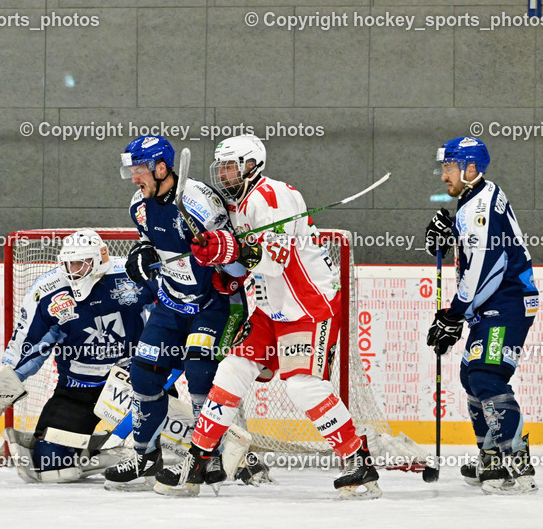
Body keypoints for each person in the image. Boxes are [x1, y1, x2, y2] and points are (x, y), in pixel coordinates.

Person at [154, 134, 381, 498]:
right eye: (221, 167)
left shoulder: (272, 196)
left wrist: (228, 248)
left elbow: (275, 260)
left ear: (250, 164)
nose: (223, 173)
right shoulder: (238, 205)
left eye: (230, 166)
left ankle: (357, 460)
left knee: (301, 385)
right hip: (268, 311)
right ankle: (199, 459)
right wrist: (224, 269)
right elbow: (247, 266)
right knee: (230, 371)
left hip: (307, 308)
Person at [105, 135, 259, 491]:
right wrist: (141, 252)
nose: (134, 178)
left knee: (200, 375)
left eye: (139, 170)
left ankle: (212, 456)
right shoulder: (139, 205)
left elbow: (240, 269)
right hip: (171, 303)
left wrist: (221, 252)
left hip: (214, 303)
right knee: (143, 376)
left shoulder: (202, 204)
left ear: (161, 168)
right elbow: (151, 239)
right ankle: (145, 455)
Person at [0, 229, 155, 482]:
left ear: (99, 259)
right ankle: (101, 454)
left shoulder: (133, 274)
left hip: (133, 383)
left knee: (168, 449)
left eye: (80, 263)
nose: (73, 270)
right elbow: (30, 344)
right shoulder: (47, 291)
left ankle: (142, 452)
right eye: (68, 263)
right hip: (77, 390)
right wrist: (6, 379)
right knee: (50, 464)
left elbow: (169, 317)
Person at [425, 136, 539, 493]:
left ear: (470, 168)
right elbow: (476, 255)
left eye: (449, 167)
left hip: (509, 300)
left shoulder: (479, 208)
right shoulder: (475, 197)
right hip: (494, 302)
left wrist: (454, 314)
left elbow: (485, 269)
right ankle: (491, 457)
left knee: (487, 376)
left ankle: (517, 461)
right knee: (471, 376)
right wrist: (448, 239)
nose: (444, 176)